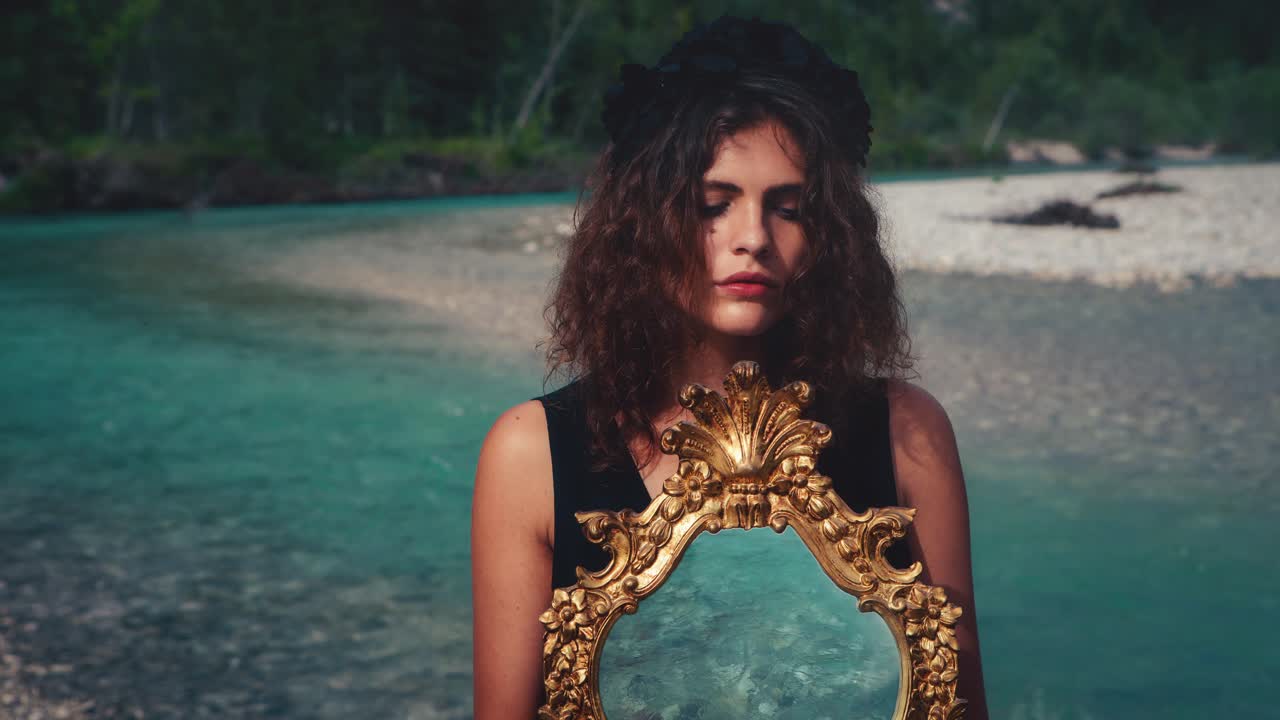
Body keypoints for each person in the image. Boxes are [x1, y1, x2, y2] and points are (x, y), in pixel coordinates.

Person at [471, 15, 989, 719]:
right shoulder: (531, 455)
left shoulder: (906, 434)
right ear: (642, 223)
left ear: (829, 235)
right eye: (714, 206)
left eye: (790, 208)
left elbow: (959, 706)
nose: (753, 239)